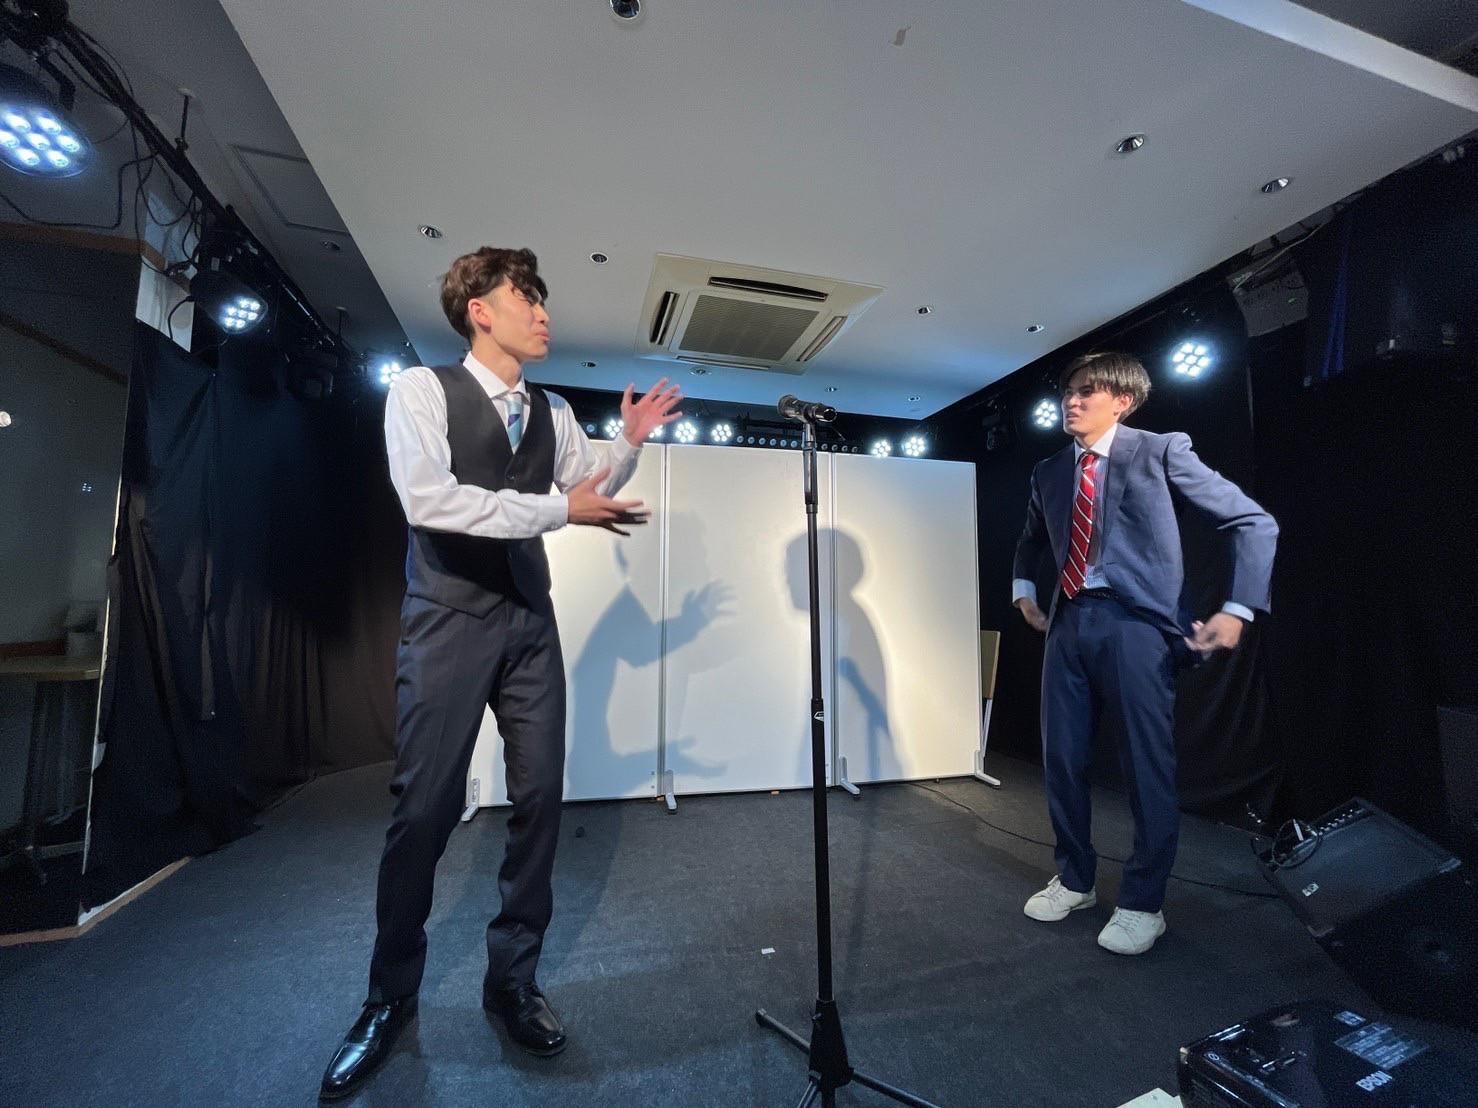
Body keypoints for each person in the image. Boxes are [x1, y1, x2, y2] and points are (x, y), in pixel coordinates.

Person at [320, 246, 682, 1100]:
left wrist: (627, 444)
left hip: (528, 622)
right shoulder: (421, 391)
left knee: (540, 802)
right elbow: (429, 500)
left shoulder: (551, 409)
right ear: (479, 309)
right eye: (527, 297)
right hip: (447, 620)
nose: (543, 313)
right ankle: (389, 995)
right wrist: (559, 509)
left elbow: (588, 482)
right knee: (424, 809)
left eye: (542, 299)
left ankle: (511, 981)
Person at [1011, 351, 1277, 955]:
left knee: (1146, 765)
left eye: (1087, 391)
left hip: (1136, 626)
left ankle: (1142, 902)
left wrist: (1238, 608)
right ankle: (1075, 879)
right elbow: (1030, 540)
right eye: (1068, 391)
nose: (1072, 400)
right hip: (1068, 624)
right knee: (1062, 760)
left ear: (1123, 402)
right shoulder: (1049, 471)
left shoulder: (1159, 451)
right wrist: (1024, 591)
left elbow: (1253, 521)